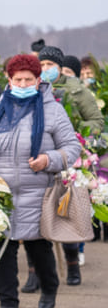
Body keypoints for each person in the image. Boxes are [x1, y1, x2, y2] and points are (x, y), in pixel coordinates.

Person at [0, 54, 79, 308]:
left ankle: (49, 288)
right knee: (3, 250)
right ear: (9, 81)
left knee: (39, 248)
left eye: (28, 79)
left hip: (38, 193)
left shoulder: (52, 110)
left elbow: (72, 148)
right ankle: (7, 303)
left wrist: (49, 160)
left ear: (39, 81)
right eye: (17, 79)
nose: (23, 83)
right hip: (1, 194)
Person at [38, 46, 102, 286]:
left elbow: (96, 121)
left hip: (68, 157)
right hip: (40, 158)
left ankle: (73, 264)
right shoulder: (30, 88)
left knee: (68, 211)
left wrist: (79, 137)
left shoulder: (77, 91)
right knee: (38, 214)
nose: (45, 70)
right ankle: (37, 271)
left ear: (59, 67)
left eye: (50, 66)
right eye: (41, 65)